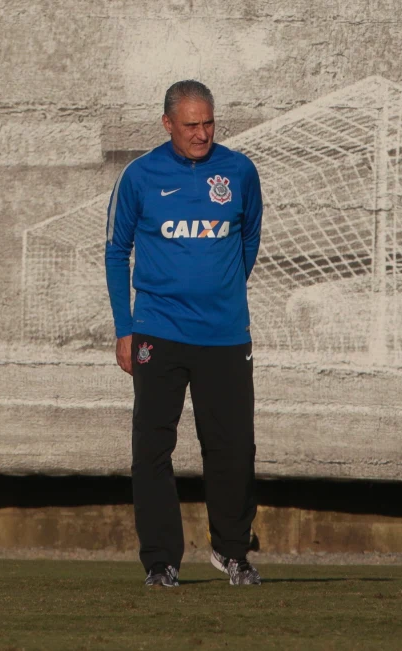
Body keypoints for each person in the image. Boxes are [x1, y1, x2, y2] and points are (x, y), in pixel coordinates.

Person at [104, 80, 263, 587]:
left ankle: (232, 552)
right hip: (158, 331)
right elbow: (115, 251)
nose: (202, 133)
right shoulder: (139, 175)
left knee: (233, 447)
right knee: (153, 448)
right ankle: (161, 561)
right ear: (168, 123)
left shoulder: (239, 171)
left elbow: (249, 239)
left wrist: (219, 295)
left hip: (224, 335)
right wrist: (125, 327)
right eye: (191, 124)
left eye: (209, 122)